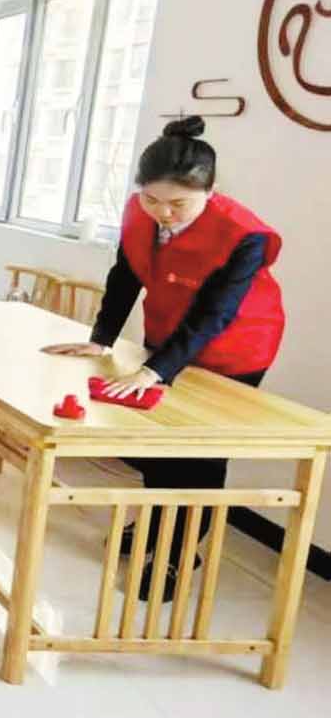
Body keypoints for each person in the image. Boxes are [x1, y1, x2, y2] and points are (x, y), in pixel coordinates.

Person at [44, 116, 285, 600]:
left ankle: (176, 552)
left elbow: (215, 313)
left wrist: (154, 371)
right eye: (153, 199)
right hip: (169, 335)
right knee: (156, 440)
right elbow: (125, 274)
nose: (164, 213)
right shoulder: (140, 214)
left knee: (200, 449)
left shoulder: (244, 235)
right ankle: (155, 523)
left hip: (235, 348)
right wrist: (102, 338)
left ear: (211, 192)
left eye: (179, 204)